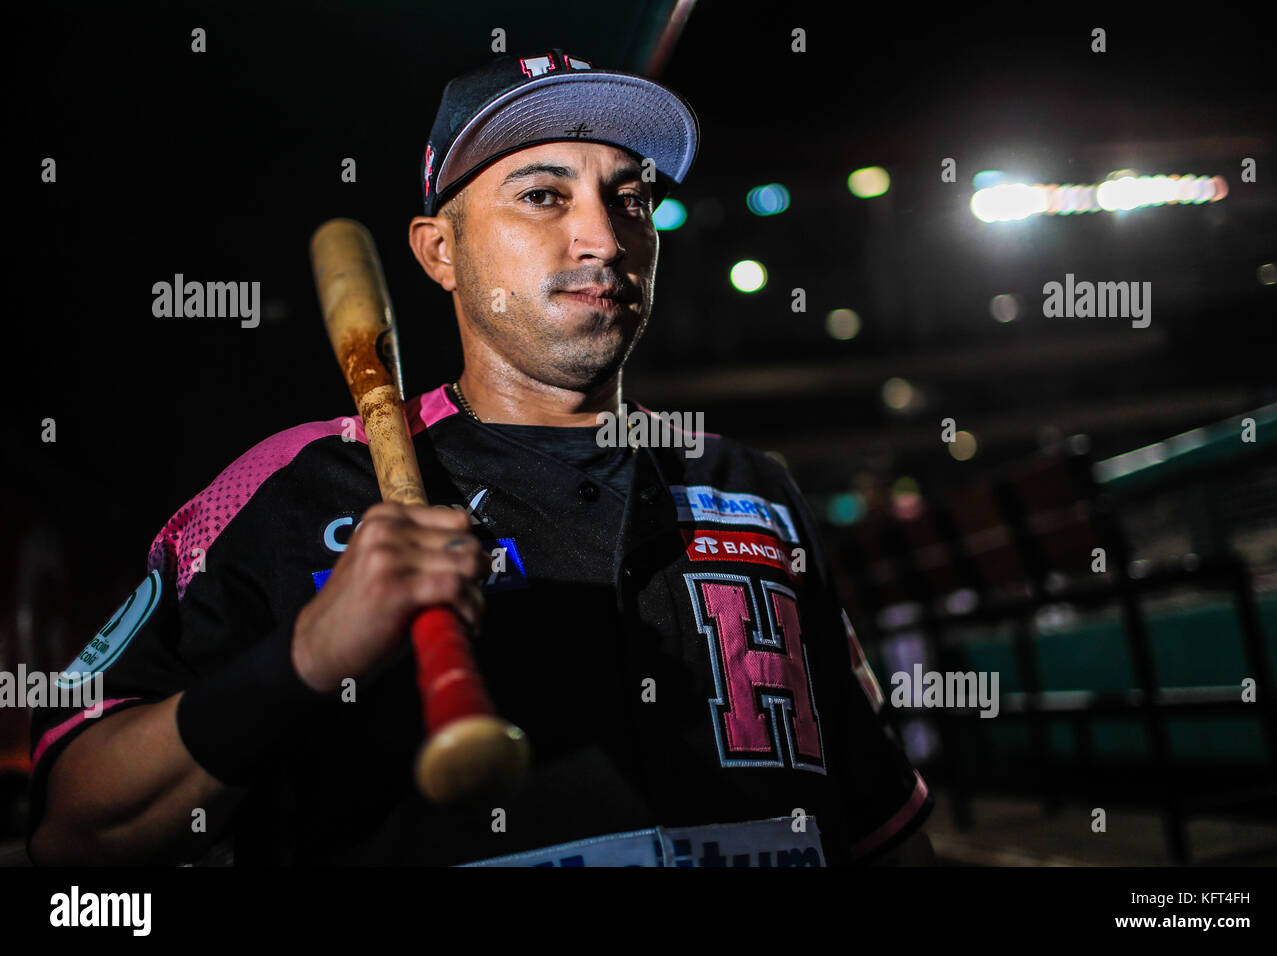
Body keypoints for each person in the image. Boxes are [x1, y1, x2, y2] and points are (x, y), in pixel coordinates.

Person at [27, 48, 934, 867]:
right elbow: (76, 829)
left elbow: (882, 829)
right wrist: (303, 659)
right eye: (543, 196)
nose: (605, 241)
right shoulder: (289, 493)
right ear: (439, 252)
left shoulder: (752, 486)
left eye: (630, 198)